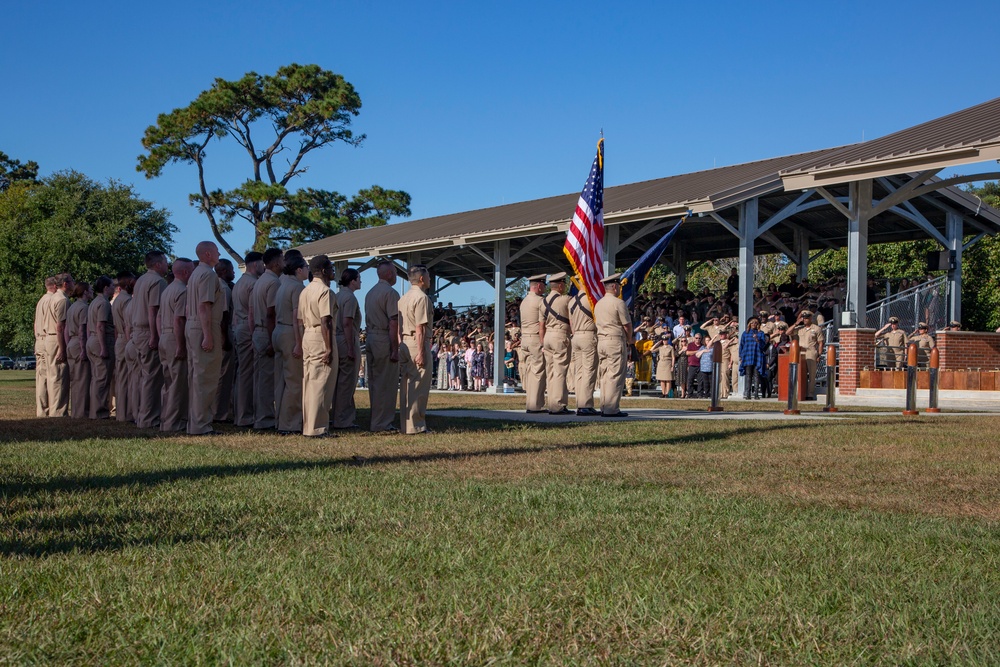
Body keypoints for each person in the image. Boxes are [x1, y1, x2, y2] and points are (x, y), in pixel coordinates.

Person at [185, 241, 227, 436]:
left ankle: (196, 423)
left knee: (197, 377)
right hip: (204, 326)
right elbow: (205, 306)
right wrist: (208, 335)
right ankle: (201, 425)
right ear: (208, 254)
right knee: (206, 378)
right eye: (217, 251)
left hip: (192, 325)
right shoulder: (208, 274)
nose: (220, 253)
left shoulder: (195, 274)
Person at [299, 255, 338, 438]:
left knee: (309, 382)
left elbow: (299, 320)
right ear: (323, 271)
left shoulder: (305, 291)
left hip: (307, 334)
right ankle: (318, 428)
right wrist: (329, 348)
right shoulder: (325, 291)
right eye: (330, 268)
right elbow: (326, 321)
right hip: (321, 337)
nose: (332, 271)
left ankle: (309, 425)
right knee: (321, 383)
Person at [131, 252, 169, 428]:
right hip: (148, 331)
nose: (167, 264)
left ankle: (141, 414)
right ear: (158, 264)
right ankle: (149, 418)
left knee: (144, 376)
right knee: (153, 377)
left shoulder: (140, 281)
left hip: (137, 331)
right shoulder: (157, 282)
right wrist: (155, 336)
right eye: (165, 261)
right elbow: (154, 310)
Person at [272, 253, 308, 435]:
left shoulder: (282, 286)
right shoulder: (297, 288)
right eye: (306, 267)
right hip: (290, 333)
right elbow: (297, 318)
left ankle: (280, 419)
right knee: (294, 381)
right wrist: (299, 343)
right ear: (299, 270)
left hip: (278, 331)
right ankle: (291, 423)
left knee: (281, 381)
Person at [365, 260, 401, 433]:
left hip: (371, 336)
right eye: (394, 272)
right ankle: (383, 423)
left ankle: (376, 419)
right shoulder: (391, 293)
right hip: (383, 337)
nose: (395, 275)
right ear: (389, 274)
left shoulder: (370, 293)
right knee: (386, 382)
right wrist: (395, 348)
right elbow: (393, 322)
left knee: (374, 382)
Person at [398, 265, 434, 434]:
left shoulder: (403, 298)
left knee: (406, 386)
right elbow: (420, 327)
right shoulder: (422, 298)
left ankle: (406, 424)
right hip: (416, 341)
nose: (429, 279)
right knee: (418, 385)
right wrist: (421, 352)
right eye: (427, 276)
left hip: (404, 341)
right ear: (421, 279)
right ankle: (416, 425)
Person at [158, 258, 193, 432]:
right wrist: (181, 345)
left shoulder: (167, 290)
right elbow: (179, 320)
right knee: (178, 382)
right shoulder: (182, 291)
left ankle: (166, 419)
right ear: (186, 272)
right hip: (174, 336)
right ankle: (175, 422)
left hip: (164, 336)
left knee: (168, 381)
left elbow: (158, 316)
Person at [252, 248, 284, 430]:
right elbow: (270, 313)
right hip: (267, 331)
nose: (284, 263)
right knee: (267, 379)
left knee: (260, 377)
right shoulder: (273, 283)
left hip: (258, 331)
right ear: (275, 263)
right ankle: (265, 419)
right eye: (282, 259)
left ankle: (261, 415)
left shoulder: (260, 281)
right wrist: (273, 340)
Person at [232, 251, 263, 427]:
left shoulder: (239, 283)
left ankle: (241, 413)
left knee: (242, 372)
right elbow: (252, 312)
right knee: (247, 374)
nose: (263, 267)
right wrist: (254, 335)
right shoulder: (252, 284)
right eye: (261, 263)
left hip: (239, 326)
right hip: (247, 327)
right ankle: (245, 415)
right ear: (254, 264)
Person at [594, 273, 632, 417]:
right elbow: (627, 325)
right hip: (615, 340)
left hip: (602, 341)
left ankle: (604, 406)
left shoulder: (599, 303)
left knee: (604, 375)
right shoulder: (618, 303)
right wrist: (630, 340)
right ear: (615, 287)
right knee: (615, 374)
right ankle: (611, 409)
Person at [329, 268, 363, 428]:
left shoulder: (337, 295)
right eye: (359, 278)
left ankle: (336, 415)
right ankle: (343, 419)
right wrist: (350, 347)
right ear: (353, 280)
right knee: (347, 382)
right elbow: (347, 323)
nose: (361, 281)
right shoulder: (349, 298)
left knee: (338, 382)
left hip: (336, 339)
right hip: (346, 339)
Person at [540, 272, 572, 414]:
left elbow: (541, 326)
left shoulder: (543, 302)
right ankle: (558, 405)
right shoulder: (565, 300)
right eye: (564, 284)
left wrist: (542, 343)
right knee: (560, 372)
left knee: (551, 372)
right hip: (560, 335)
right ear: (560, 285)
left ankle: (552, 403)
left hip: (547, 337)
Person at [86, 276, 116, 419]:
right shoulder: (104, 303)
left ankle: (94, 410)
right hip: (100, 340)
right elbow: (101, 325)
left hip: (92, 339)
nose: (114, 288)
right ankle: (100, 412)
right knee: (103, 379)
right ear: (105, 288)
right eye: (111, 286)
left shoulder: (93, 302)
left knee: (96, 378)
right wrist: (104, 347)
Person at [519, 274, 547, 413]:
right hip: (536, 338)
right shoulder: (540, 301)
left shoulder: (524, 301)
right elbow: (544, 323)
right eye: (543, 285)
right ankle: (535, 405)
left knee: (530, 372)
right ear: (539, 286)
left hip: (525, 338)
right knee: (538, 372)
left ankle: (530, 402)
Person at [569, 287, 599, 415]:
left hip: (576, 335)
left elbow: (571, 322)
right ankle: (586, 404)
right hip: (588, 334)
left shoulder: (572, 301)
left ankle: (580, 402)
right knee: (589, 370)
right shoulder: (591, 298)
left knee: (579, 371)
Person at [214, 258, 236, 422]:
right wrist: (225, 338)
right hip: (223, 332)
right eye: (230, 270)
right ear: (223, 271)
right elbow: (224, 315)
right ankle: (219, 412)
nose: (233, 272)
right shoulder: (223, 289)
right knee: (223, 374)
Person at [112, 271, 136, 423]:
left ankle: (121, 413)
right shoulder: (126, 300)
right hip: (126, 338)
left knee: (121, 377)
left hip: (119, 339)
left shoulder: (117, 299)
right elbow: (128, 324)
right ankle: (126, 413)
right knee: (127, 378)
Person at [66, 282, 92, 418]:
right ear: (85, 292)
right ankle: (82, 412)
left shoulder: (71, 307)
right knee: (83, 379)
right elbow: (82, 330)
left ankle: (75, 410)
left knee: (75, 379)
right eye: (90, 289)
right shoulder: (84, 308)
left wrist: (67, 345)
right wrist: (83, 349)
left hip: (71, 342)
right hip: (78, 342)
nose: (92, 291)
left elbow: (65, 330)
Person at [34, 277, 57, 417]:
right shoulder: (51, 300)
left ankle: (42, 409)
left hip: (39, 339)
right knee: (50, 376)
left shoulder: (41, 300)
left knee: (41, 377)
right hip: (47, 337)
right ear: (54, 286)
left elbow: (35, 324)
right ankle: (48, 409)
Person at [788, 310, 823, 399]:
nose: (805, 320)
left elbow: (820, 342)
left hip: (811, 351)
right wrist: (796, 323)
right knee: (800, 373)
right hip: (800, 352)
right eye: (804, 318)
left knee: (811, 374)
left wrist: (819, 354)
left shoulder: (816, 328)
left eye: (807, 318)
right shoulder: (800, 328)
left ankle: (810, 394)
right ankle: (800, 393)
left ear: (811, 318)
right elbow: (788, 332)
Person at [739, 317, 769, 400]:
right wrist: (740, 356)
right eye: (752, 323)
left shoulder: (761, 333)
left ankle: (756, 393)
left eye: (755, 323)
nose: (753, 324)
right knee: (748, 375)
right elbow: (741, 345)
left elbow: (763, 345)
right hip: (747, 355)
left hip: (757, 356)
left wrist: (757, 339)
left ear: (758, 324)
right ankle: (748, 393)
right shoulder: (745, 333)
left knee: (756, 375)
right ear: (749, 324)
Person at [650, 332, 675, 398]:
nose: (665, 341)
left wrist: (672, 366)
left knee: (668, 379)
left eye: (666, 340)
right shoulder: (660, 347)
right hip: (661, 363)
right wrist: (658, 343)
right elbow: (651, 350)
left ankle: (667, 393)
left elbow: (673, 357)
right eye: (663, 340)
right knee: (662, 380)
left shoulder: (670, 348)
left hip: (668, 363)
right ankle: (663, 393)